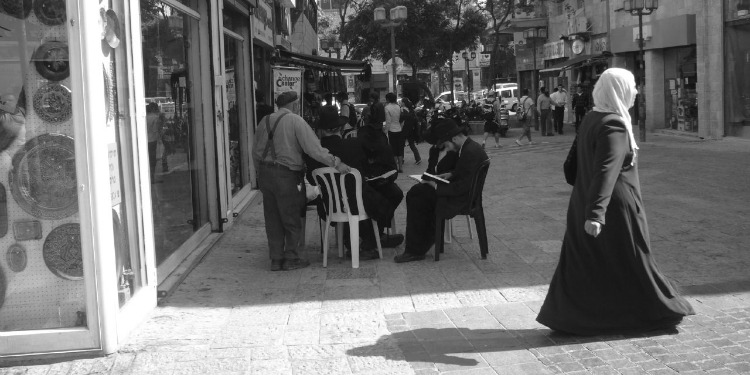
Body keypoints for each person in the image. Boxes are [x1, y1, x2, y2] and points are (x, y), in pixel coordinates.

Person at [536, 68, 694, 335]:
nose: (635, 91)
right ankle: (655, 311)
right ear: (619, 90)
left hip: (584, 201)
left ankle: (572, 316)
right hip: (613, 209)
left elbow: (580, 166)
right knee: (632, 260)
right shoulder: (613, 123)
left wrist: (590, 207)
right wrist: (596, 214)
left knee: (587, 263)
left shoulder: (591, 117)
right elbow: (606, 170)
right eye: (631, 87)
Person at [253, 91, 351, 271]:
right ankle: (292, 257)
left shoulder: (264, 121)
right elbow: (314, 149)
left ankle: (276, 259)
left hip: (266, 174)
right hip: (286, 174)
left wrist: (260, 175)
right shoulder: (296, 121)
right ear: (295, 104)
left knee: (272, 218)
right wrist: (336, 162)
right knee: (290, 216)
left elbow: (255, 151)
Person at [306, 106, 403, 260]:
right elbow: (361, 172)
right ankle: (370, 240)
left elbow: (312, 180)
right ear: (340, 128)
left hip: (328, 207)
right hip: (355, 204)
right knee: (383, 196)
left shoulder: (312, 154)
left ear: (320, 130)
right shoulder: (352, 145)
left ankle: (365, 238)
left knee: (362, 196)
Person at [394, 119, 489, 263]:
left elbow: (462, 187)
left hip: (461, 199)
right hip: (463, 194)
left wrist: (436, 186)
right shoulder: (469, 148)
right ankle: (424, 240)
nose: (449, 149)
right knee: (419, 192)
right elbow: (464, 174)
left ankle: (416, 249)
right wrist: (451, 174)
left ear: (455, 138)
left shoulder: (469, 152)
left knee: (416, 195)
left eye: (447, 145)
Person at [384, 93, 404, 172]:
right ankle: (401, 168)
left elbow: (388, 121)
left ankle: (395, 167)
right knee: (399, 149)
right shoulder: (398, 107)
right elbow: (401, 119)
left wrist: (385, 131)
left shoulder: (387, 108)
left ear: (388, 99)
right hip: (399, 129)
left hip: (391, 130)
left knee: (393, 149)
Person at [400, 97, 422, 165]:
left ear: (403, 103)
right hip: (411, 129)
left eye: (401, 102)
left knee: (401, 145)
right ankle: (418, 158)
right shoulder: (411, 110)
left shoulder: (402, 109)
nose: (400, 103)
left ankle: (402, 159)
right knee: (412, 145)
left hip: (404, 129)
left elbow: (401, 119)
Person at [145, 102, 164, 182]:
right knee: (153, 159)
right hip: (152, 140)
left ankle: (148, 177)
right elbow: (155, 130)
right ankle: (152, 177)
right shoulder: (155, 117)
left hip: (146, 140)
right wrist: (159, 140)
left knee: (148, 158)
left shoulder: (144, 117)